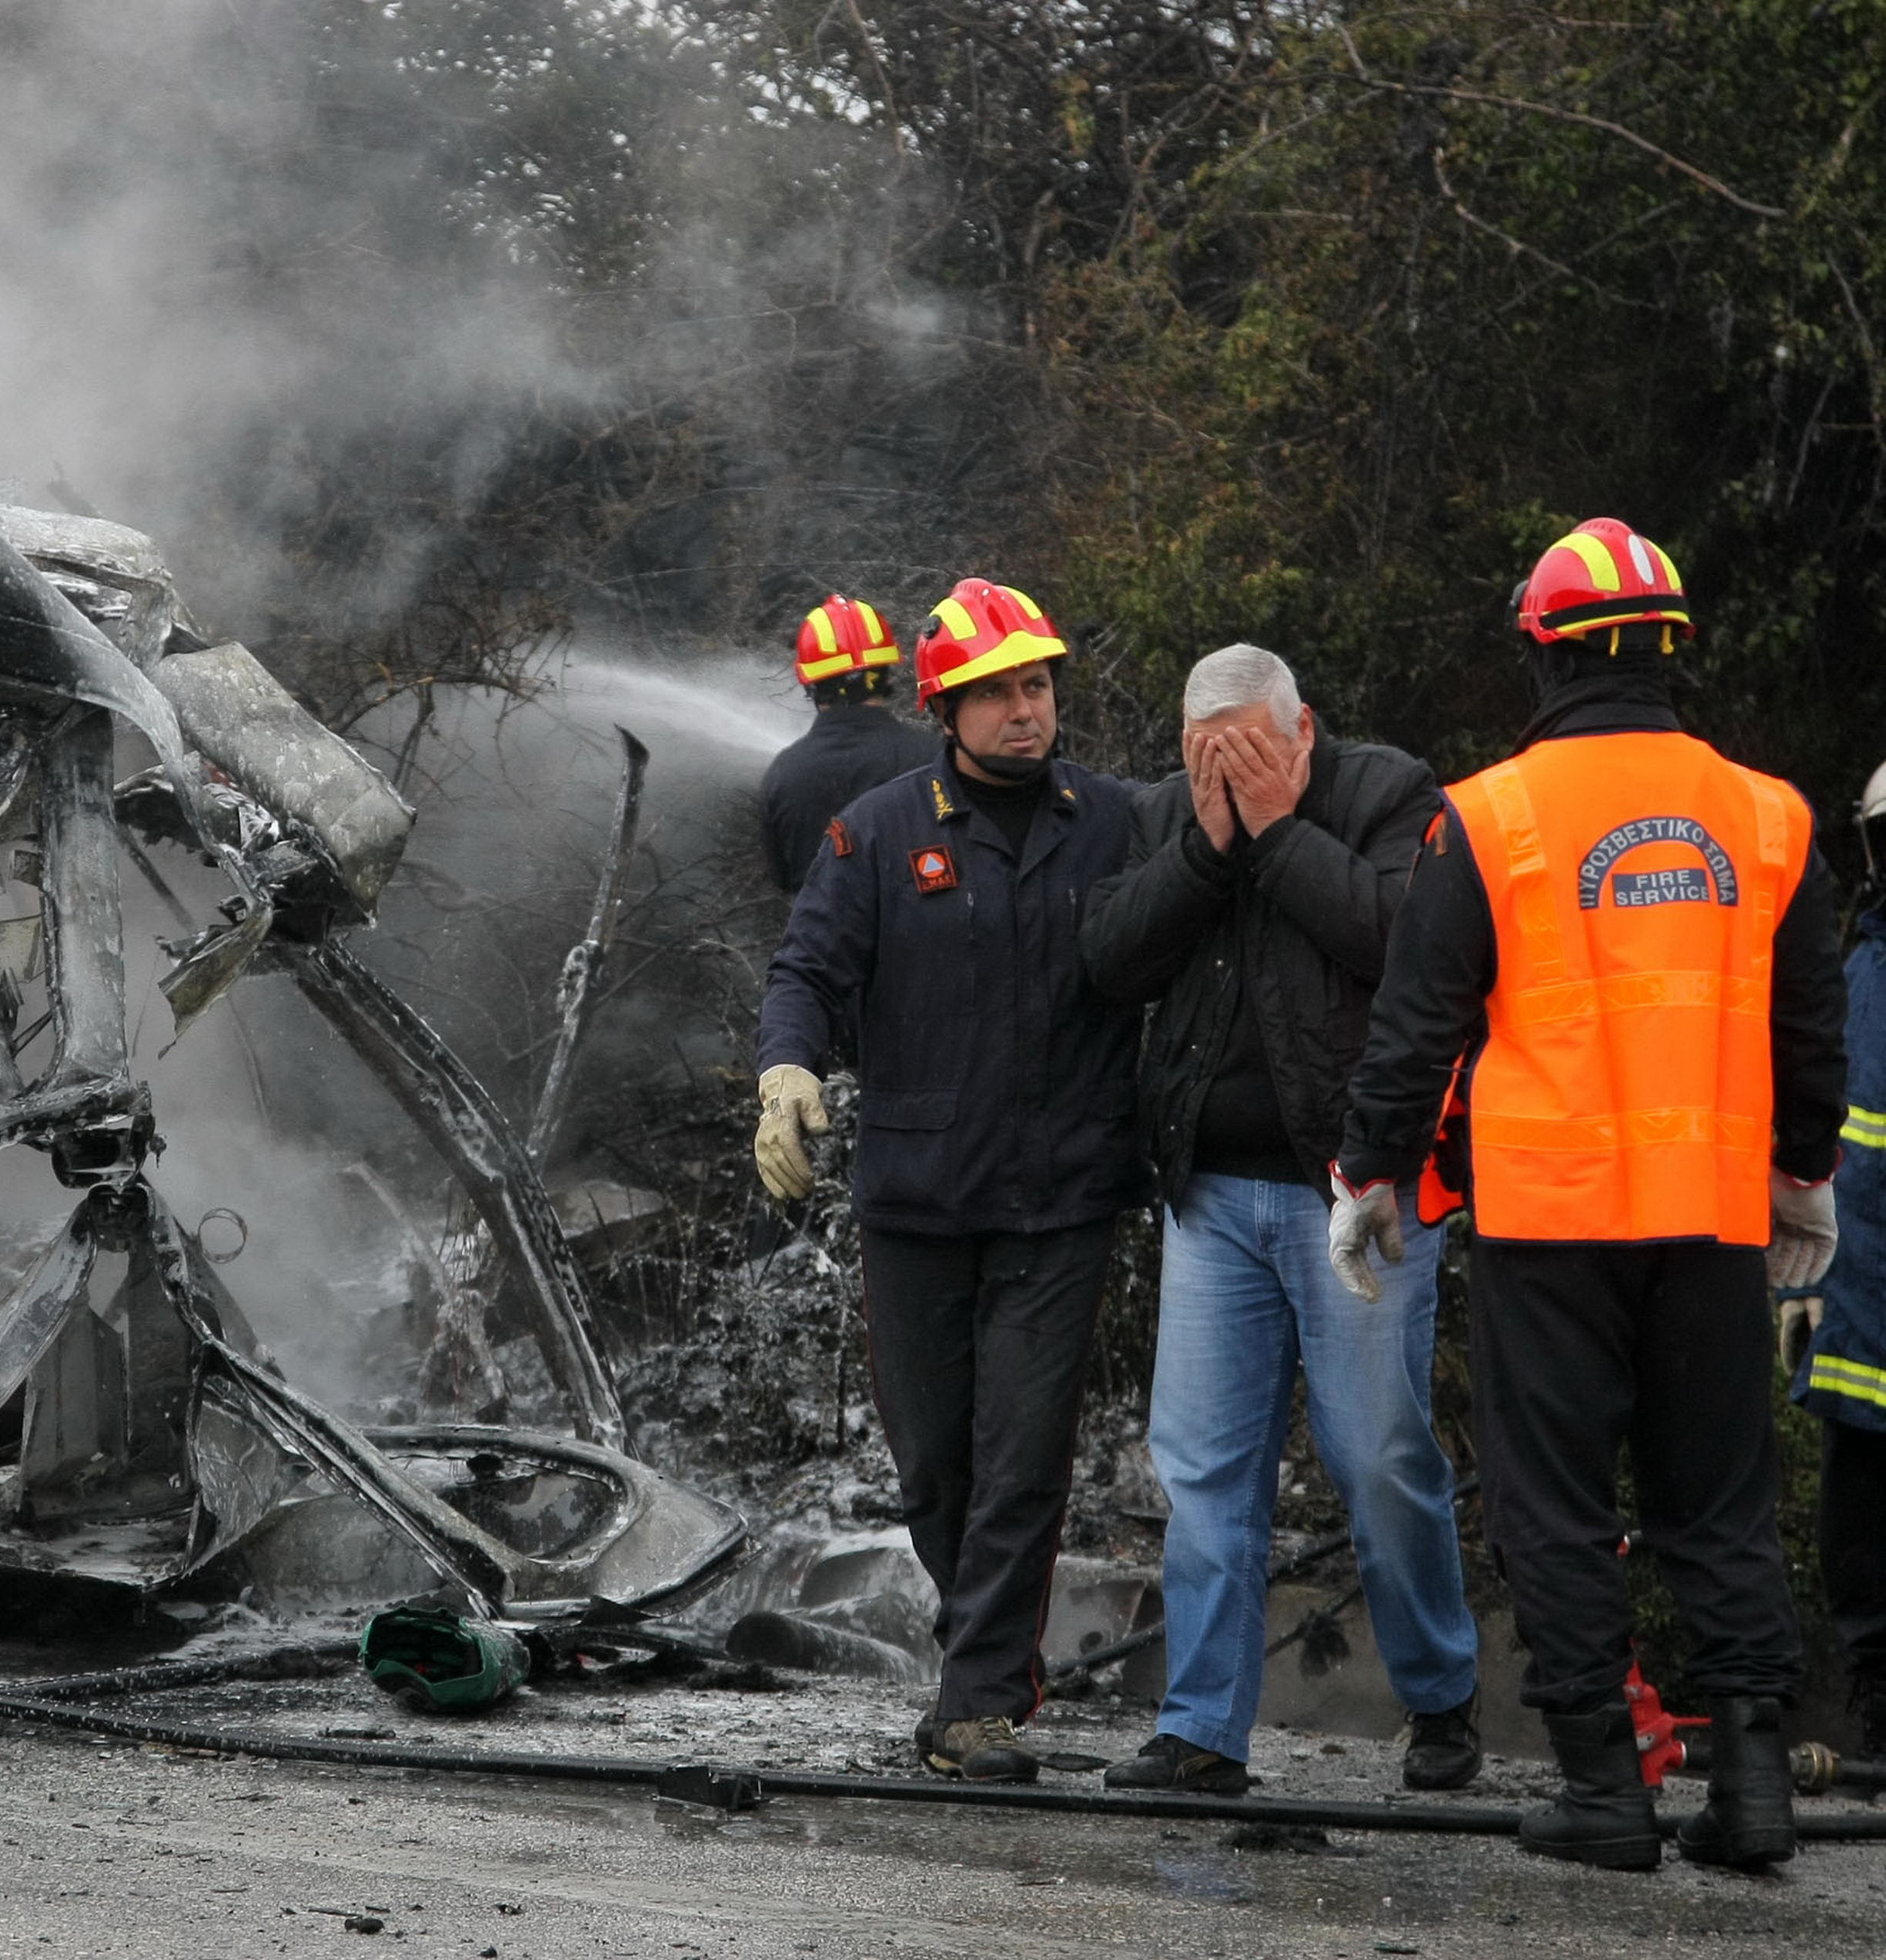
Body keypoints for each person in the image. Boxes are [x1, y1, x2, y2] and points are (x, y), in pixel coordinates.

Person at [1330, 519, 1847, 1873]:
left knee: (1553, 1503)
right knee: (1719, 1502)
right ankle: (1750, 1797)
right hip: (1716, 1218)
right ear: (1669, 649)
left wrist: (1367, 1170)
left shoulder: (1489, 814)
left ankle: (1603, 1799)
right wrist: (1804, 1172)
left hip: (1549, 1221)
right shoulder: (1768, 815)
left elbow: (1416, 1019)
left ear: (1540, 653)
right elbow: (1808, 1031)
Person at [755, 577, 1145, 1782]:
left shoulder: (1117, 821)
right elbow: (807, 968)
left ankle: (975, 1702)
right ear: (944, 707)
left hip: (1061, 1197)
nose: (1026, 710)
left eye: (1036, 685)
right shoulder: (874, 832)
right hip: (917, 1196)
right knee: (936, 1462)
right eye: (998, 693)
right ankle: (979, 1661)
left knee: (1021, 1455)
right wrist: (784, 1068)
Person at [1078, 644, 1483, 1797]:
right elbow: (1106, 958)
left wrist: (1277, 831)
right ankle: (1201, 1729)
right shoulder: (1170, 814)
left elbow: (1410, 945)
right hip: (1207, 1194)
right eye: (1208, 760)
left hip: (1355, 1196)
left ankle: (1439, 1696)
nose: (1231, 775)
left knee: (1375, 1459)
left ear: (1301, 729)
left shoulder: (1386, 793)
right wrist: (1210, 844)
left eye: (1253, 753)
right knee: (1203, 1471)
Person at [1787, 759, 1886, 1760]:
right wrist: (1806, 1283)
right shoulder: (1851, 971)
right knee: (1854, 1530)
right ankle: (1875, 1717)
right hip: (1859, 1302)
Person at [759, 594, 943, 892]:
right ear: (885, 672)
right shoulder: (934, 759)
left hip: (819, 938)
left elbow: (784, 882)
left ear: (812, 684)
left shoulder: (783, 774)